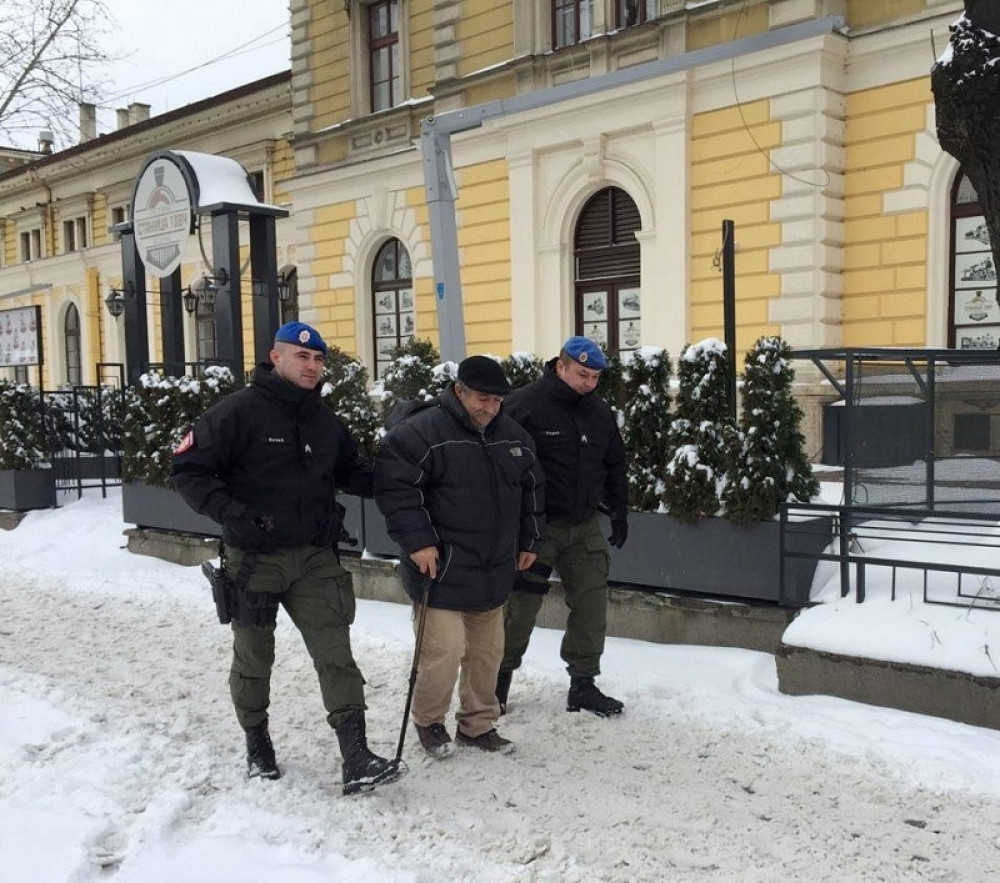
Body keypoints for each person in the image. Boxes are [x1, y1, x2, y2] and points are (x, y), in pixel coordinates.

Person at [170, 321, 403, 795]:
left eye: (319, 360)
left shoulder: (325, 420)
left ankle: (355, 756)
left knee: (336, 654)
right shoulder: (238, 413)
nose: (313, 367)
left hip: (316, 557)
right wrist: (233, 515)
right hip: (255, 559)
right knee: (254, 658)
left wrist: (402, 474)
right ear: (275, 358)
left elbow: (351, 473)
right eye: (303, 358)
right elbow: (188, 470)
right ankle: (258, 744)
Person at [374, 355, 544, 758]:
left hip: (494, 568)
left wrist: (529, 541)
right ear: (459, 391)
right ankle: (429, 722)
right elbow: (398, 491)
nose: (489, 407)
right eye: (482, 398)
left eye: (497, 400)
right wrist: (419, 543)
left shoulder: (514, 437)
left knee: (488, 654)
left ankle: (478, 724)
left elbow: (533, 491)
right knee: (441, 654)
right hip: (442, 568)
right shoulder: (421, 432)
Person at [497, 336, 628, 718]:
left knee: (591, 605)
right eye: (582, 374)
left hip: (583, 525)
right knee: (519, 608)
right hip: (536, 529)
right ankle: (496, 683)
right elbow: (501, 470)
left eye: (595, 377)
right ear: (561, 367)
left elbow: (614, 463)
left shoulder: (599, 412)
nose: (589, 383)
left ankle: (583, 685)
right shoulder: (523, 406)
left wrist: (619, 510)